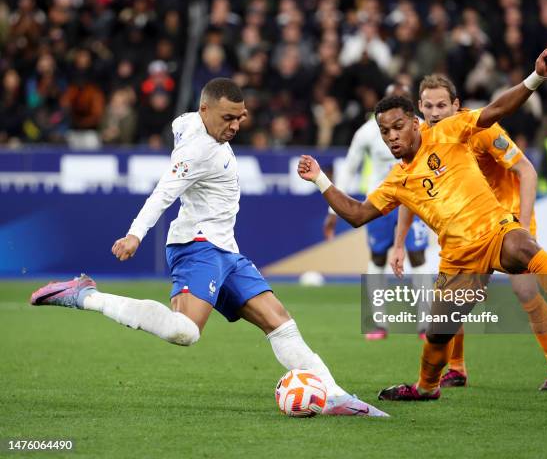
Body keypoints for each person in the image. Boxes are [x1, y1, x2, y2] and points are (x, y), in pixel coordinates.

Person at [30, 78, 388, 417]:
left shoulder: (192, 123)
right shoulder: (197, 151)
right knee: (184, 332)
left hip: (226, 251)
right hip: (196, 246)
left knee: (281, 323)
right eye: (227, 118)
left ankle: (336, 396)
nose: (234, 126)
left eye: (239, 117)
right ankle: (85, 295)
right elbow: (163, 193)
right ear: (205, 110)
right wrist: (135, 235)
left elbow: (178, 122)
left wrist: (205, 119)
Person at [297, 48, 547, 402]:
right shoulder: (397, 179)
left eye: (399, 127)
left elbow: (497, 111)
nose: (392, 136)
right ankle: (428, 386)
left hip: (496, 231)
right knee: (438, 333)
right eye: (385, 132)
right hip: (459, 260)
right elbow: (356, 215)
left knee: (526, 251)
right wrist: (321, 180)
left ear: (416, 122)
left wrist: (536, 76)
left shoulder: (451, 130)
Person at [388, 74, 547, 391]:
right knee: (455, 298)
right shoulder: (424, 139)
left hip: (508, 218)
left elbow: (526, 170)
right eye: (428, 106)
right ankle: (456, 368)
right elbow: (407, 192)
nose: (434, 112)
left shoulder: (481, 129)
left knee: (525, 291)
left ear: (455, 105)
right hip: (469, 227)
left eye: (441, 105)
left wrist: (522, 228)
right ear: (419, 107)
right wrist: (399, 242)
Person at [323, 82, 431, 341]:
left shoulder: (422, 126)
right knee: (378, 256)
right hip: (379, 201)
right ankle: (378, 322)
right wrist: (333, 211)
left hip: (413, 198)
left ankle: (427, 323)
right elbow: (350, 167)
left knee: (417, 254)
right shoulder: (367, 132)